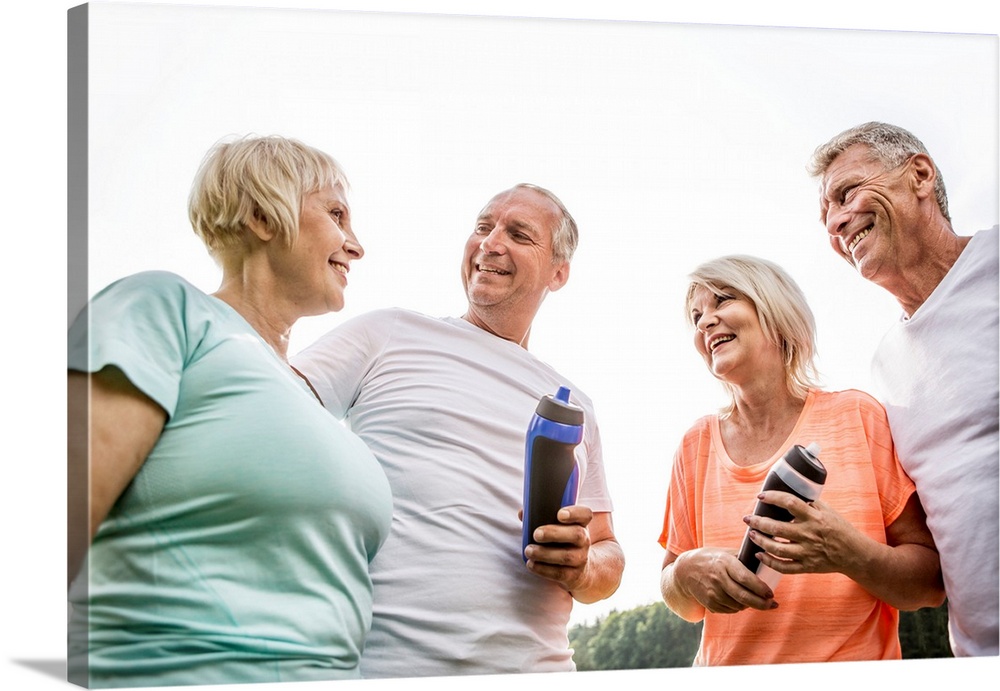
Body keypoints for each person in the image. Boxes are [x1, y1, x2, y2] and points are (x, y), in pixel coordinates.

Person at [66, 135, 393, 687]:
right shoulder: (164, 308)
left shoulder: (309, 403)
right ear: (263, 216)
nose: (355, 245)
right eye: (336, 213)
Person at [291, 183, 625, 678]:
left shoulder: (574, 405)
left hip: (539, 671)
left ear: (559, 272)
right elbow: (266, 406)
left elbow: (607, 553)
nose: (490, 243)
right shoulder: (389, 332)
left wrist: (584, 566)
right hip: (386, 669)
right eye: (483, 227)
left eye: (519, 234)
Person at [658, 254, 944, 666]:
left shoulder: (858, 417)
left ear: (775, 310)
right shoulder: (694, 444)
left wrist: (848, 553)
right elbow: (679, 599)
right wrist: (684, 573)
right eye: (697, 315)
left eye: (722, 300)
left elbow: (930, 584)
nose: (704, 321)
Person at [809, 122, 999, 657]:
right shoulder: (885, 368)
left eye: (846, 193)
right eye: (825, 215)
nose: (837, 222)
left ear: (919, 175)